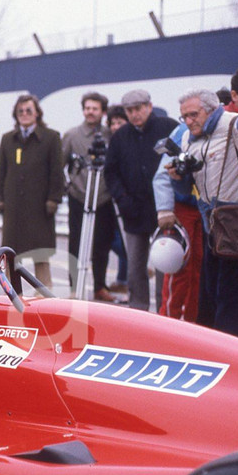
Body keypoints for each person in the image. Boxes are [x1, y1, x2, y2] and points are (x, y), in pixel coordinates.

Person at [165, 88, 238, 339]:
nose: (188, 121)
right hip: (210, 226)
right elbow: (186, 188)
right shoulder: (186, 138)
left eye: (193, 114)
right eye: (184, 117)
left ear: (212, 109)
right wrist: (177, 177)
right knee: (210, 297)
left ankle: (232, 355)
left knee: (231, 298)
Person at [102, 89, 178, 311]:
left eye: (138, 108)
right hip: (133, 211)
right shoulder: (120, 136)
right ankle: (138, 311)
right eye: (129, 110)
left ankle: (165, 311)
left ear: (149, 107)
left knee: (164, 263)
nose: (134, 114)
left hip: (164, 210)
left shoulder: (168, 127)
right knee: (135, 266)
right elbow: (111, 172)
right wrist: (123, 199)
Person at [0, 94, 64, 288]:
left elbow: (57, 172)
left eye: (28, 110)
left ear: (37, 113)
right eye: (20, 111)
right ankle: (13, 294)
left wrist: (53, 200)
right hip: (13, 206)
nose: (24, 114)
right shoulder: (8, 139)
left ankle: (44, 295)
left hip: (40, 206)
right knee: (11, 254)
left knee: (40, 254)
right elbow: (0, 171)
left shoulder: (51, 137)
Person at [61, 91, 117, 302]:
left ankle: (99, 286)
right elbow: (60, 164)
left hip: (104, 198)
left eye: (94, 108)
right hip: (79, 198)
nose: (90, 112)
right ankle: (75, 288)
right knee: (75, 244)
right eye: (87, 108)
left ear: (102, 111)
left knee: (102, 245)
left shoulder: (110, 134)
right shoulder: (72, 135)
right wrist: (68, 186)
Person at [151, 121, 203, 322]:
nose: (192, 119)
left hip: (211, 210)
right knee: (178, 267)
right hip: (185, 209)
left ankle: (195, 323)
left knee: (202, 273)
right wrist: (164, 209)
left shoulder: (236, 125)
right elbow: (164, 173)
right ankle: (168, 322)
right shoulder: (183, 130)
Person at [105, 105, 129, 293]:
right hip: (107, 199)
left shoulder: (128, 143)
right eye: (112, 123)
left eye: (119, 122)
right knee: (114, 240)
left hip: (124, 198)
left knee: (123, 241)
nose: (115, 126)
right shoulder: (109, 141)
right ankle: (123, 278)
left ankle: (124, 279)